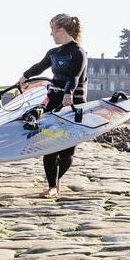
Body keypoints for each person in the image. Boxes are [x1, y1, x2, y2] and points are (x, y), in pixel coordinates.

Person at [17, 13, 87, 198]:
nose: (51, 35)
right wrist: (24, 77)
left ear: (62, 30)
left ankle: (57, 180)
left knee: (67, 151)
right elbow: (39, 66)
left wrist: (68, 93)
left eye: (52, 31)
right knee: (49, 145)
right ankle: (52, 187)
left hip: (73, 104)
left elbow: (75, 77)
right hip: (53, 101)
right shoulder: (54, 53)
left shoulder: (78, 53)